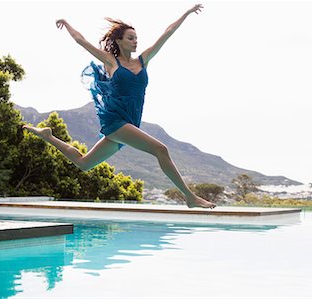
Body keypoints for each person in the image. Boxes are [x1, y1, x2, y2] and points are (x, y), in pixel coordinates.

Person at [23, 4, 216, 209]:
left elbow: (167, 33)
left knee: (84, 163)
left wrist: (185, 13)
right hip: (116, 121)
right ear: (119, 41)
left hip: (130, 122)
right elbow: (81, 41)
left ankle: (48, 136)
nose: (135, 41)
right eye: (130, 38)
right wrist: (67, 24)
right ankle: (190, 197)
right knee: (161, 149)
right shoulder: (111, 61)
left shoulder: (144, 60)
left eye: (136, 38)